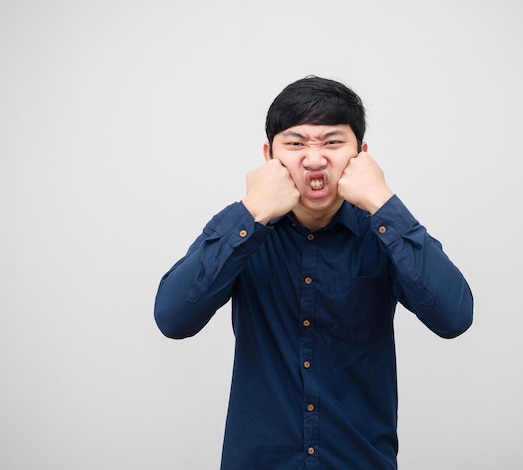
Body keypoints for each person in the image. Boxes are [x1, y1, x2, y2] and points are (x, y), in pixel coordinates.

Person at [154, 76, 473, 469]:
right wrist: (251, 212)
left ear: (361, 154)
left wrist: (382, 201)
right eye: (296, 143)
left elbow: (454, 317)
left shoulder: (384, 233)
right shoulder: (243, 231)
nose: (315, 158)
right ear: (270, 155)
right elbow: (172, 318)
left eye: (333, 142)